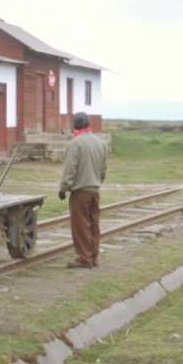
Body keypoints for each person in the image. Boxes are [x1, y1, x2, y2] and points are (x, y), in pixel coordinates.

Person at [58, 111, 108, 269]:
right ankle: (94, 256)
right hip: (95, 189)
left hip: (80, 191)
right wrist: (97, 182)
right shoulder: (100, 143)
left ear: (74, 125)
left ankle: (85, 258)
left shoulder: (75, 143)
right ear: (88, 124)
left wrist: (63, 188)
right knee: (94, 224)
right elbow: (103, 169)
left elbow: (69, 169)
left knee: (80, 225)